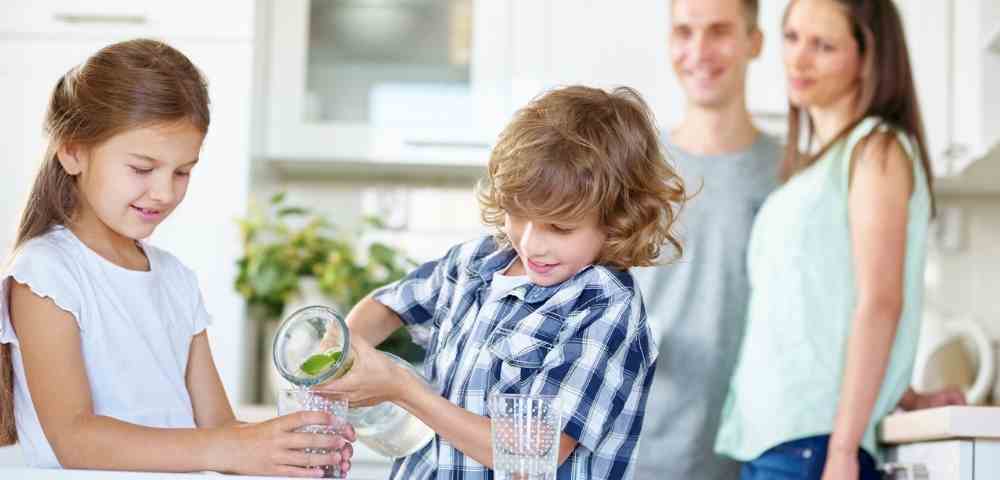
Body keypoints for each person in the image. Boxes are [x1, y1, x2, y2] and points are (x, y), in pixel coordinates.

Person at [0, 38, 354, 476]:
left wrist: (286, 448)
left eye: (182, 171)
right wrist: (228, 447)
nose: (165, 192)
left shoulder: (174, 278)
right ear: (73, 151)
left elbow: (218, 428)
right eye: (142, 169)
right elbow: (75, 438)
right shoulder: (47, 272)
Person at [319, 85, 687, 479]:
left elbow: (533, 452)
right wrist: (335, 354)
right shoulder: (476, 262)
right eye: (517, 214)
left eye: (559, 228)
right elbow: (387, 305)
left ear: (616, 220)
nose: (531, 245)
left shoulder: (605, 307)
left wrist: (403, 390)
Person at [716, 1, 963, 479]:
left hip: (816, 442)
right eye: (792, 38)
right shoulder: (814, 169)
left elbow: (879, 302)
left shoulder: (877, 150)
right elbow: (818, 312)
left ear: (867, 58)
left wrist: (845, 449)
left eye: (823, 45)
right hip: (775, 436)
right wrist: (907, 395)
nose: (798, 59)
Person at [630, 0, 782, 478]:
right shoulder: (635, 167)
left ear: (754, 42)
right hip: (638, 446)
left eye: (719, 31)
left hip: (754, 450)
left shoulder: (792, 172)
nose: (699, 50)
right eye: (684, 32)